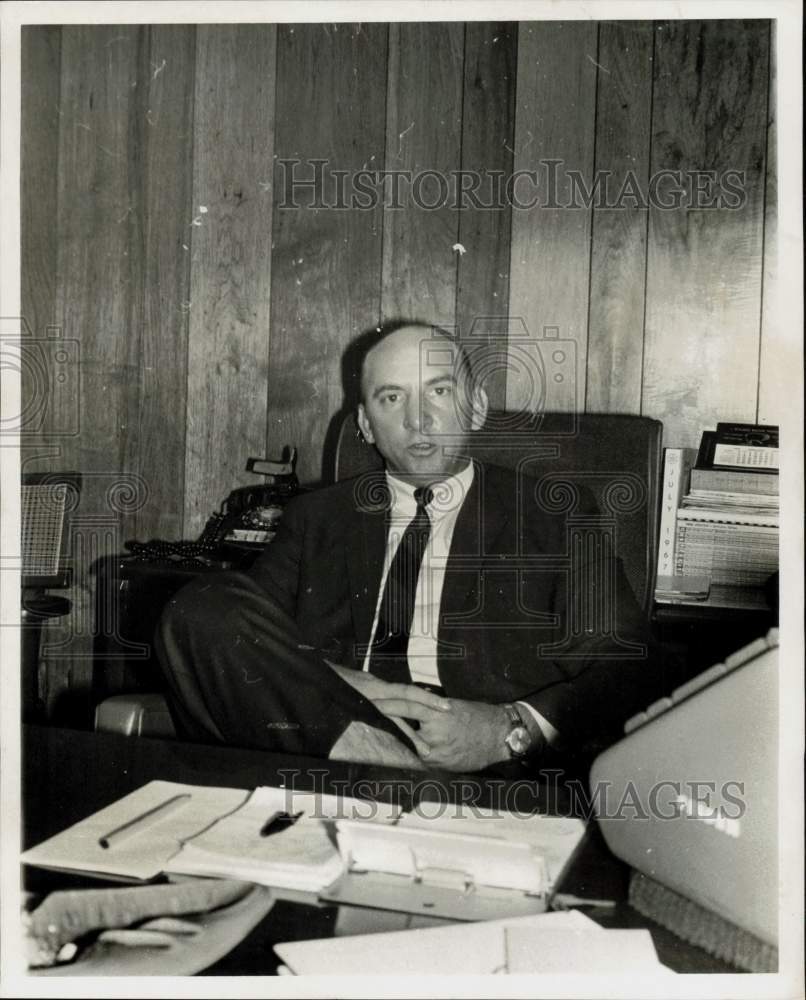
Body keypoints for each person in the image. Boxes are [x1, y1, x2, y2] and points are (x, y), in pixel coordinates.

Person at [156, 322, 670, 774]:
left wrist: (506, 729)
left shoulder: (552, 513)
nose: (418, 419)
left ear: (476, 406)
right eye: (391, 398)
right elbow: (245, 634)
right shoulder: (319, 517)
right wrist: (341, 685)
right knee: (197, 608)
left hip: (486, 759)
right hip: (332, 743)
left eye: (439, 391)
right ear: (364, 423)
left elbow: (627, 662)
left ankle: (404, 782)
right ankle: (398, 775)